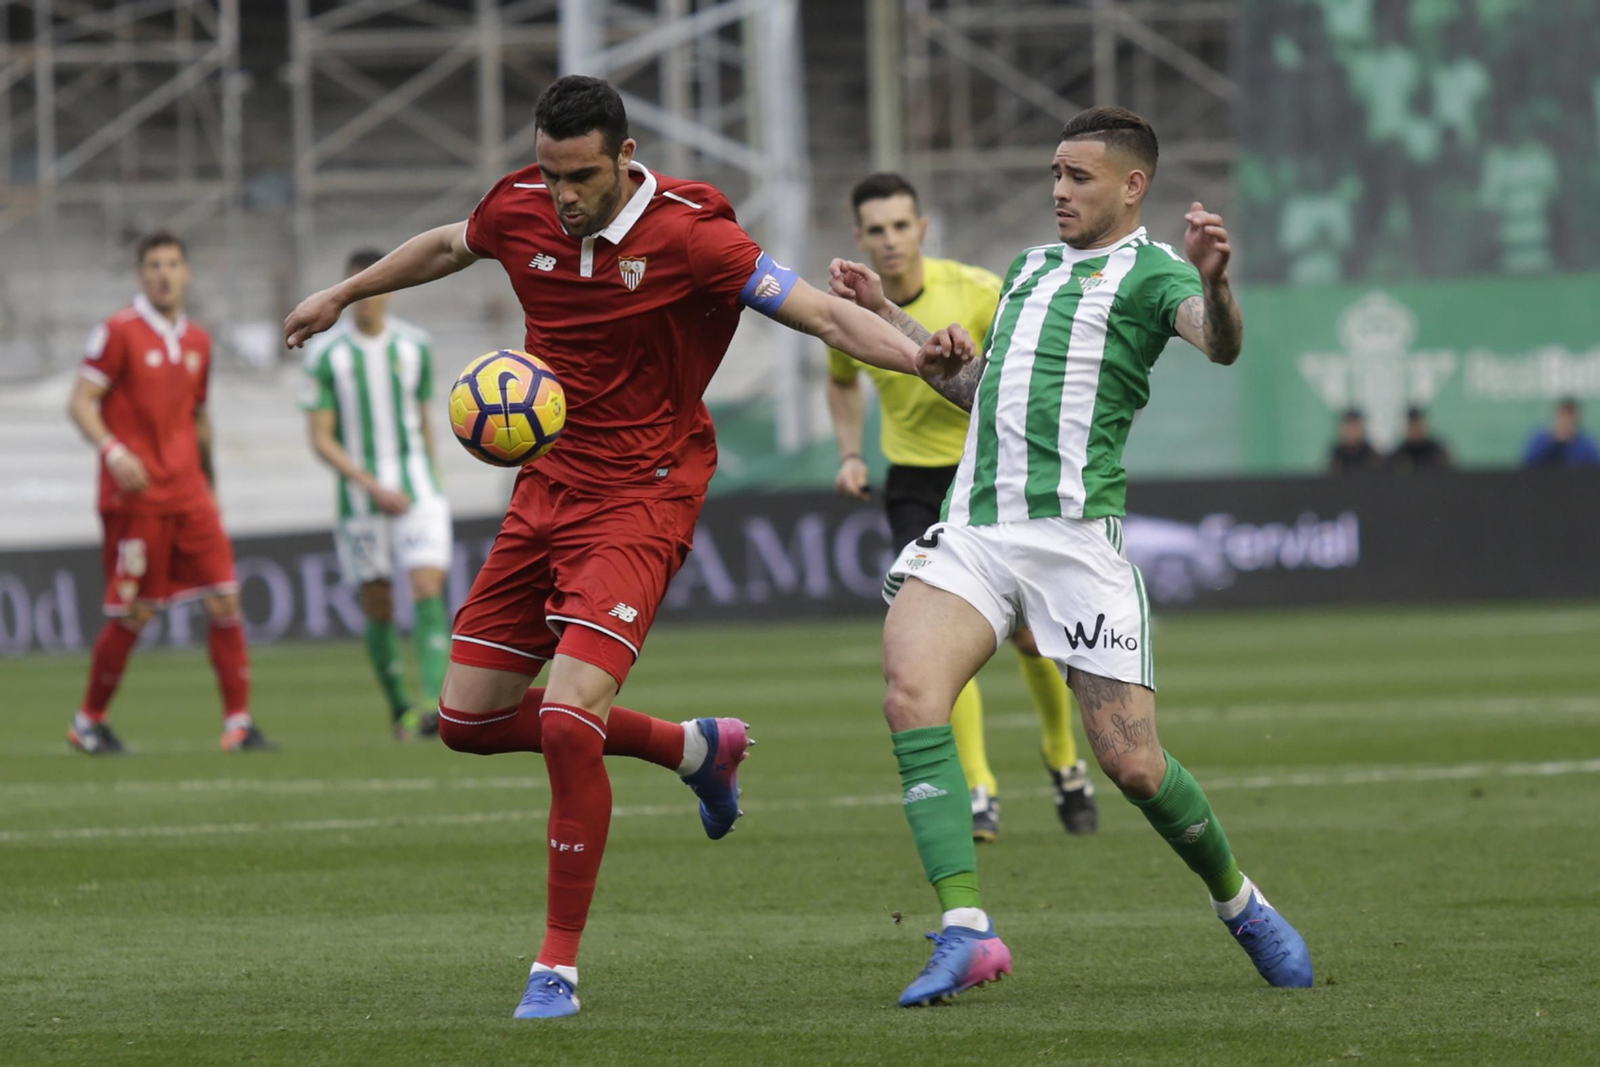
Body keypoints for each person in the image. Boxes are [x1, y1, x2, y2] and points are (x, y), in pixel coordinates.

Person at [283, 75, 969, 1020]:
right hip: (545, 490)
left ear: (625, 158)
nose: (562, 195)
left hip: (644, 496)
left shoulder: (693, 238)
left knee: (570, 722)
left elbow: (817, 312)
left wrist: (915, 354)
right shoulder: (519, 206)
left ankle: (556, 968)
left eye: (581, 176)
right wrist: (342, 292)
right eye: (550, 173)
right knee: (466, 721)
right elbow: (449, 243)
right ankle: (694, 748)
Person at [830, 106, 1314, 1006]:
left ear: (1133, 186)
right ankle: (967, 928)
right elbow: (985, 393)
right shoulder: (1028, 268)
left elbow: (1221, 344)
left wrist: (1219, 285)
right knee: (910, 695)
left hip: (1075, 542)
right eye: (1055, 172)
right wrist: (897, 322)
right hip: (976, 530)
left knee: (1133, 764)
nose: (1058, 189)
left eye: (1078, 176)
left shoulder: (1156, 273)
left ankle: (1241, 902)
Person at [825, 173, 1097, 841]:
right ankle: (979, 787)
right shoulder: (852, 309)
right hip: (914, 486)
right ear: (860, 238)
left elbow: (1022, 375)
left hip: (989, 478)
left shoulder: (976, 291)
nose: (890, 240)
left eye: (901, 225)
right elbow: (842, 380)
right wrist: (850, 453)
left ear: (922, 228)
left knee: (1031, 636)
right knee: (937, 637)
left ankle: (1063, 758)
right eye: (876, 230)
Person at [65, 232, 275, 754]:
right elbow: (80, 402)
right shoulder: (117, 331)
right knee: (136, 612)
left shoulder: (199, 341)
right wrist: (114, 451)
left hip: (189, 492)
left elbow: (198, 417)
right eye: (154, 265)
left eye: (173, 264)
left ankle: (238, 724)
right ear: (140, 274)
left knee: (225, 597)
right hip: (136, 498)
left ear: (187, 273)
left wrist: (212, 486)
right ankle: (88, 722)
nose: (164, 274)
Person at [301, 249, 453, 741]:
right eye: (357, 289)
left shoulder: (416, 346)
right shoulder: (327, 355)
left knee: (428, 587)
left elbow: (424, 420)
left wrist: (432, 480)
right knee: (378, 601)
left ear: (388, 290)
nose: (366, 299)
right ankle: (401, 710)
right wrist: (370, 485)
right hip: (361, 499)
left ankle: (433, 707)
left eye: (374, 287)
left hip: (418, 490)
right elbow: (321, 437)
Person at [1522, 397, 1600, 467]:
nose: (1566, 422)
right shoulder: (1541, 440)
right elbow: (1528, 465)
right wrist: (1553, 442)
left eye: (1570, 418)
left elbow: (1595, 468)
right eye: (1563, 417)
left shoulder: (1586, 444)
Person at [1385, 406, 1452, 471]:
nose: (1416, 429)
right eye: (1412, 426)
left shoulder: (1438, 452)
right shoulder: (1399, 456)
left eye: (1418, 425)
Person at [1327, 408, 1380, 474]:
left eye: (1354, 427)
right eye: (1348, 426)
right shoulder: (1336, 456)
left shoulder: (1371, 456)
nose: (1351, 431)